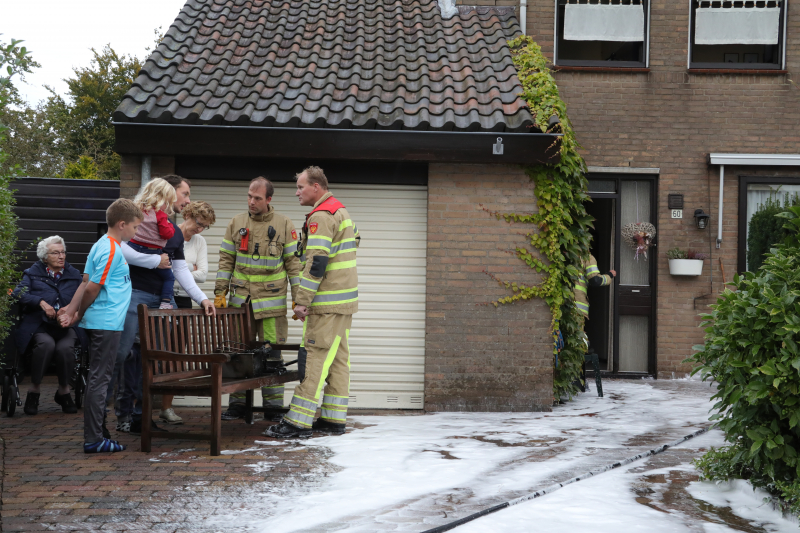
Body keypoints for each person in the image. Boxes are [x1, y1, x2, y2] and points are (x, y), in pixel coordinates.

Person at [113, 175, 216, 435]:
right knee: (127, 356)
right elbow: (121, 249)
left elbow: (180, 270)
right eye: (184, 194)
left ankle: (141, 418)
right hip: (135, 295)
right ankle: (123, 415)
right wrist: (153, 262)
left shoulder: (172, 233)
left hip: (160, 304)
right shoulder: (140, 218)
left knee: (150, 361)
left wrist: (202, 298)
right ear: (168, 192)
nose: (187, 199)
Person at [265, 166, 359, 439]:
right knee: (339, 360)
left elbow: (317, 262)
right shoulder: (341, 211)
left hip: (327, 305)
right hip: (344, 302)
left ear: (316, 187)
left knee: (315, 358)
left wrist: (302, 301)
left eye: (300, 187)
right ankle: (332, 419)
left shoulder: (321, 215)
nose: (297, 192)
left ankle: (297, 422)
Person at [214, 177, 301, 420]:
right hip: (240, 302)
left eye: (257, 198)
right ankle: (237, 406)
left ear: (269, 199)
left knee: (272, 354)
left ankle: (272, 409)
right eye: (249, 197)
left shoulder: (284, 224)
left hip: (271, 305)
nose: (252, 202)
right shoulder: (236, 223)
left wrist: (299, 298)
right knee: (238, 353)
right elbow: (226, 261)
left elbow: (294, 265)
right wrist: (220, 292)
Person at [61, 198, 143, 453]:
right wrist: (79, 312)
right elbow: (93, 287)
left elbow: (85, 281)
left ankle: (97, 434)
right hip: (106, 323)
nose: (136, 232)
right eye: (135, 227)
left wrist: (71, 311)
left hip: (103, 322)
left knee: (98, 378)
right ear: (121, 224)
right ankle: (94, 439)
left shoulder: (99, 245)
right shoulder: (111, 249)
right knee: (100, 379)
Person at [159, 200, 216, 425]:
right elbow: (162, 266)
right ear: (188, 215)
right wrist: (183, 269)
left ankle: (166, 407)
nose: (200, 229)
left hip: (184, 299)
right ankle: (139, 406)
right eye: (198, 223)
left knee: (177, 353)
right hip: (162, 298)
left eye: (205, 226)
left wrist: (177, 270)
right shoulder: (169, 233)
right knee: (156, 351)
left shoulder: (199, 241)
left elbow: (202, 274)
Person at [12, 236, 83, 415]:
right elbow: (18, 293)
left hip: (67, 325)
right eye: (55, 253)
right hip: (40, 324)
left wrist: (68, 310)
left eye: (63, 252)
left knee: (66, 349)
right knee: (45, 345)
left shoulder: (74, 275)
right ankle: (34, 391)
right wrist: (41, 303)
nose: (61, 256)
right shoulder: (32, 273)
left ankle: (64, 391)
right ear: (45, 257)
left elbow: (83, 297)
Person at [128, 178, 178, 310]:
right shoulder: (160, 215)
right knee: (169, 277)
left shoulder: (137, 209)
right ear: (160, 199)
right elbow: (166, 234)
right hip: (152, 250)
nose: (167, 206)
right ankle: (166, 302)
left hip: (133, 246)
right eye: (167, 202)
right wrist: (171, 226)